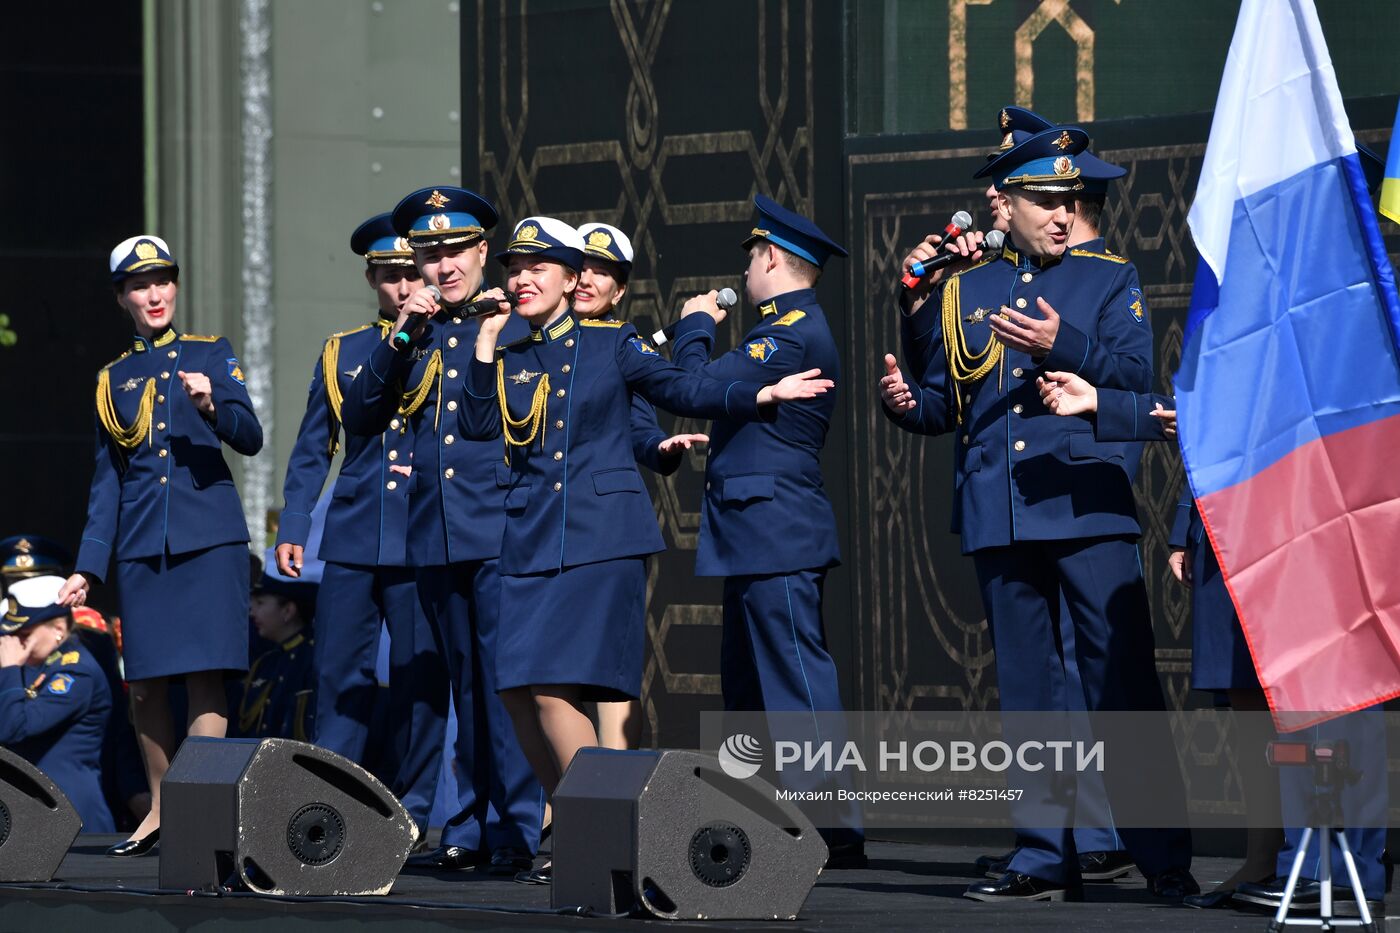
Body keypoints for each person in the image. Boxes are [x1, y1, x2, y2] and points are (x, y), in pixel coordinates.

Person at [457, 215, 832, 884]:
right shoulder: (508, 351)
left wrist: (757, 392)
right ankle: (584, 821)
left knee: (551, 692)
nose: (521, 279)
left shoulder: (614, 344)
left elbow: (681, 388)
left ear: (571, 281)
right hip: (528, 538)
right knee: (516, 691)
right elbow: (479, 425)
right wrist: (485, 340)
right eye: (515, 268)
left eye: (537, 268)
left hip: (600, 538)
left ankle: (602, 831)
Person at [879, 125, 1194, 902]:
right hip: (1003, 511)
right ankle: (1042, 856)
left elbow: (1133, 379)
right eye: (1045, 200)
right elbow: (945, 402)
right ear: (1005, 203)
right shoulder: (968, 286)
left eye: (1070, 200)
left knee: (1120, 685)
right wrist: (905, 379)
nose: (1063, 213)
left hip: (1085, 506)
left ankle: (1163, 858)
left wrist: (1067, 343)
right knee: (1028, 696)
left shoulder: (1106, 277)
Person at [342, 186, 542, 875]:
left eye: (455, 250)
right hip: (433, 532)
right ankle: (466, 819)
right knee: (459, 682)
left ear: (483, 250)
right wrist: (402, 332)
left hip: (500, 527)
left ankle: (514, 823)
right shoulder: (414, 333)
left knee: (501, 682)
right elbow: (363, 415)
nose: (443, 264)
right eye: (430, 253)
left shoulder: (517, 324)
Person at [669, 195, 866, 867]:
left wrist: (695, 325)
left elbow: (693, 384)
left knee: (794, 675)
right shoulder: (783, 330)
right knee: (748, 682)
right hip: (751, 529)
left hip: (776, 526)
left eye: (752, 257)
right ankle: (750, 808)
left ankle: (831, 817)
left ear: (772, 257)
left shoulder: (789, 334)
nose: (747, 272)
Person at [57, 235, 263, 857]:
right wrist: (88, 568)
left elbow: (249, 436)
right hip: (145, 547)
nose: (156, 294)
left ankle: (198, 809)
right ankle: (163, 804)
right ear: (122, 297)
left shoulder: (211, 352)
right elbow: (107, 483)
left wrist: (210, 406)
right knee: (144, 684)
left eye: (164, 281)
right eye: (141, 285)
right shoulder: (111, 379)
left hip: (209, 542)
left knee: (205, 680)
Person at [274, 213, 440, 838]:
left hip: (422, 531)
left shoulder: (450, 338)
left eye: (411, 273)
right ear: (372, 278)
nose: (403, 287)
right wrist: (294, 524)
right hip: (352, 531)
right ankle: (332, 803)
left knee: (420, 675)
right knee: (340, 672)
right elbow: (314, 444)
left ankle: (417, 809)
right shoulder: (342, 349)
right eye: (390, 276)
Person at [573, 221, 707, 750]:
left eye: (602, 273)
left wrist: (660, 449)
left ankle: (609, 791)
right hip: (539, 527)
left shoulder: (620, 343)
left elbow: (642, 426)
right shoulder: (522, 338)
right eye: (580, 268)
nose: (587, 281)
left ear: (620, 290)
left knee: (608, 663)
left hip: (605, 529)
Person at [0, 597, 116, 831]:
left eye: (25, 634)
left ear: (59, 629)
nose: (14, 644)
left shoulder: (75, 671)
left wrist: (10, 669)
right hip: (32, 809)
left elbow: (14, 728)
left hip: (71, 812)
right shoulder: (30, 668)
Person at [236, 569, 317, 740]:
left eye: (260, 603)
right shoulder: (265, 663)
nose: (252, 612)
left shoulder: (313, 662)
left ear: (288, 611)